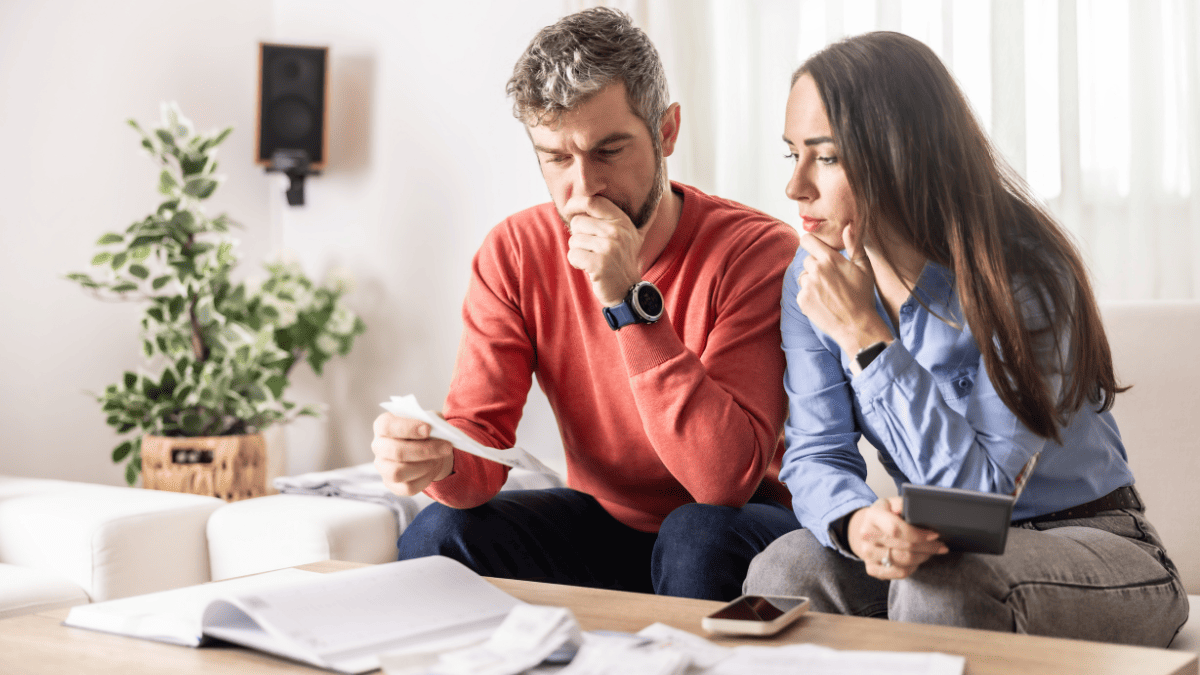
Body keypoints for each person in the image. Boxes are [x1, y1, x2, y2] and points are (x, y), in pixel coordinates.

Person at [743, 31, 1189, 646]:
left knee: (945, 587)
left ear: (897, 154)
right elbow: (816, 452)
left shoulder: (1023, 271)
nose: (796, 187)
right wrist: (857, 524)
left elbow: (978, 498)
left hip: (1094, 543)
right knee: (784, 570)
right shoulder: (812, 275)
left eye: (827, 157)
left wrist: (867, 337)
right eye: (791, 153)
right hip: (944, 545)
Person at [371, 7, 801, 601]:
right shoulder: (515, 251)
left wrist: (628, 303)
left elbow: (722, 481)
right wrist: (440, 459)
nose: (583, 188)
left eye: (609, 151)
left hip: (739, 524)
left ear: (667, 132)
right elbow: (482, 445)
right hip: (606, 525)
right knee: (439, 533)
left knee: (695, 535)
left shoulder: (757, 251)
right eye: (556, 158)